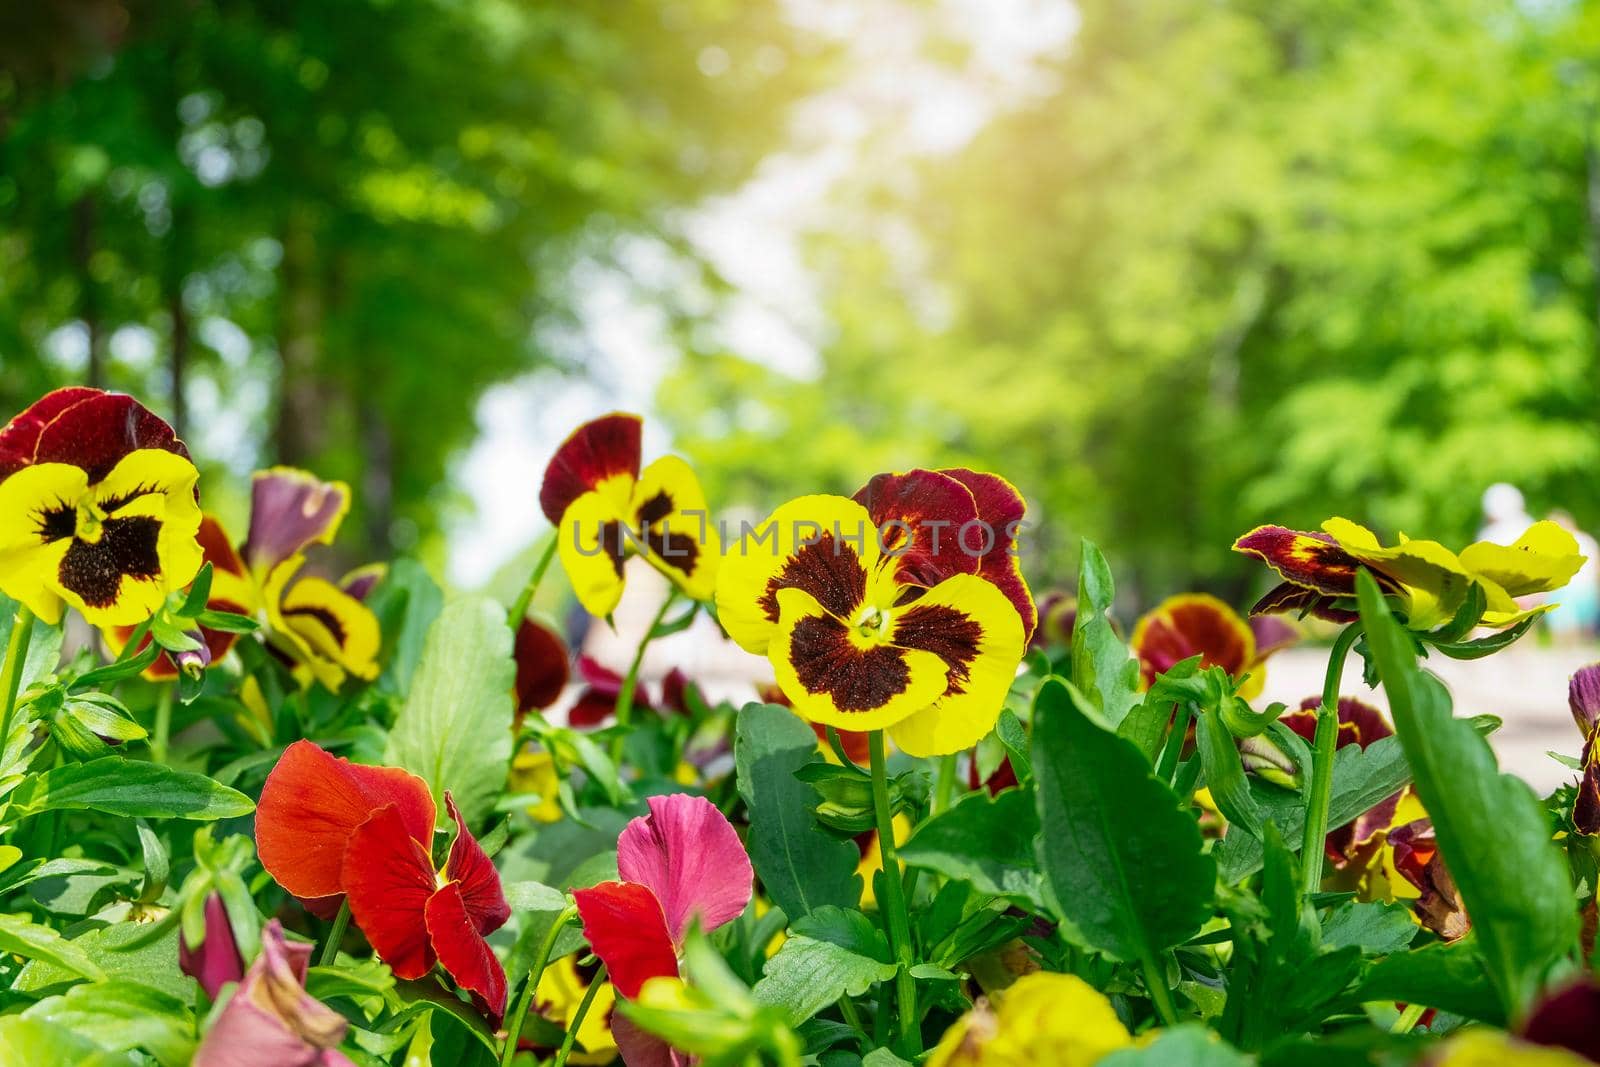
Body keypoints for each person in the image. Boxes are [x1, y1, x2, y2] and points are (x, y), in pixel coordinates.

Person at [1545, 510, 1599, 643]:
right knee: (1584, 629)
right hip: (1586, 589)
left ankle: (1565, 655)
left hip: (1567, 590)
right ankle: (1579, 657)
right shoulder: (1587, 539)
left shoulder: (1559, 544)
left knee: (1562, 627)